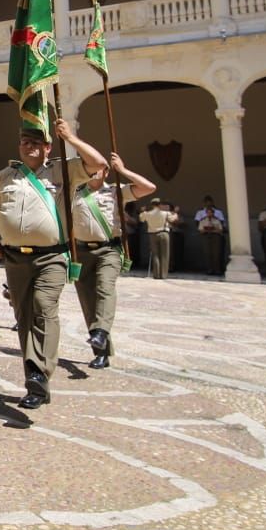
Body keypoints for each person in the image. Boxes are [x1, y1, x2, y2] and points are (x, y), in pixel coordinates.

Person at [0, 124, 68, 410]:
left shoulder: (61, 172)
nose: (29, 146)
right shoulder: (5, 176)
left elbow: (98, 164)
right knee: (25, 316)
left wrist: (69, 137)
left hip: (51, 256)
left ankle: (39, 373)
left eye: (36, 142)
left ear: (47, 148)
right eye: (24, 142)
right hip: (15, 258)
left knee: (44, 306)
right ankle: (36, 379)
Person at [66, 128, 156, 370]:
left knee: (105, 288)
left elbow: (149, 188)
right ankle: (101, 352)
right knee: (88, 302)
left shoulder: (116, 191)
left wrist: (123, 171)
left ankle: (101, 331)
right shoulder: (75, 193)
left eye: (100, 169)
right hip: (82, 252)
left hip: (109, 250)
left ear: (106, 171)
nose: (95, 172)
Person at [140, 198, 175, 279]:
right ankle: (163, 275)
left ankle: (156, 274)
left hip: (152, 234)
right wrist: (175, 214)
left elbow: (141, 219)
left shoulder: (147, 213)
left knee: (155, 255)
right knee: (164, 254)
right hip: (163, 233)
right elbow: (172, 220)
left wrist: (143, 211)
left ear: (152, 205)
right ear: (160, 204)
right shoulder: (166, 213)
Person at [194, 195, 227, 276]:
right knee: (207, 253)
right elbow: (198, 224)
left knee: (217, 253)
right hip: (205, 235)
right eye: (207, 202)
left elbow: (222, 226)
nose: (208, 203)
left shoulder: (218, 214)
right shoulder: (201, 214)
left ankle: (217, 269)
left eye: (210, 202)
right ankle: (209, 269)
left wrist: (214, 228)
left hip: (216, 236)